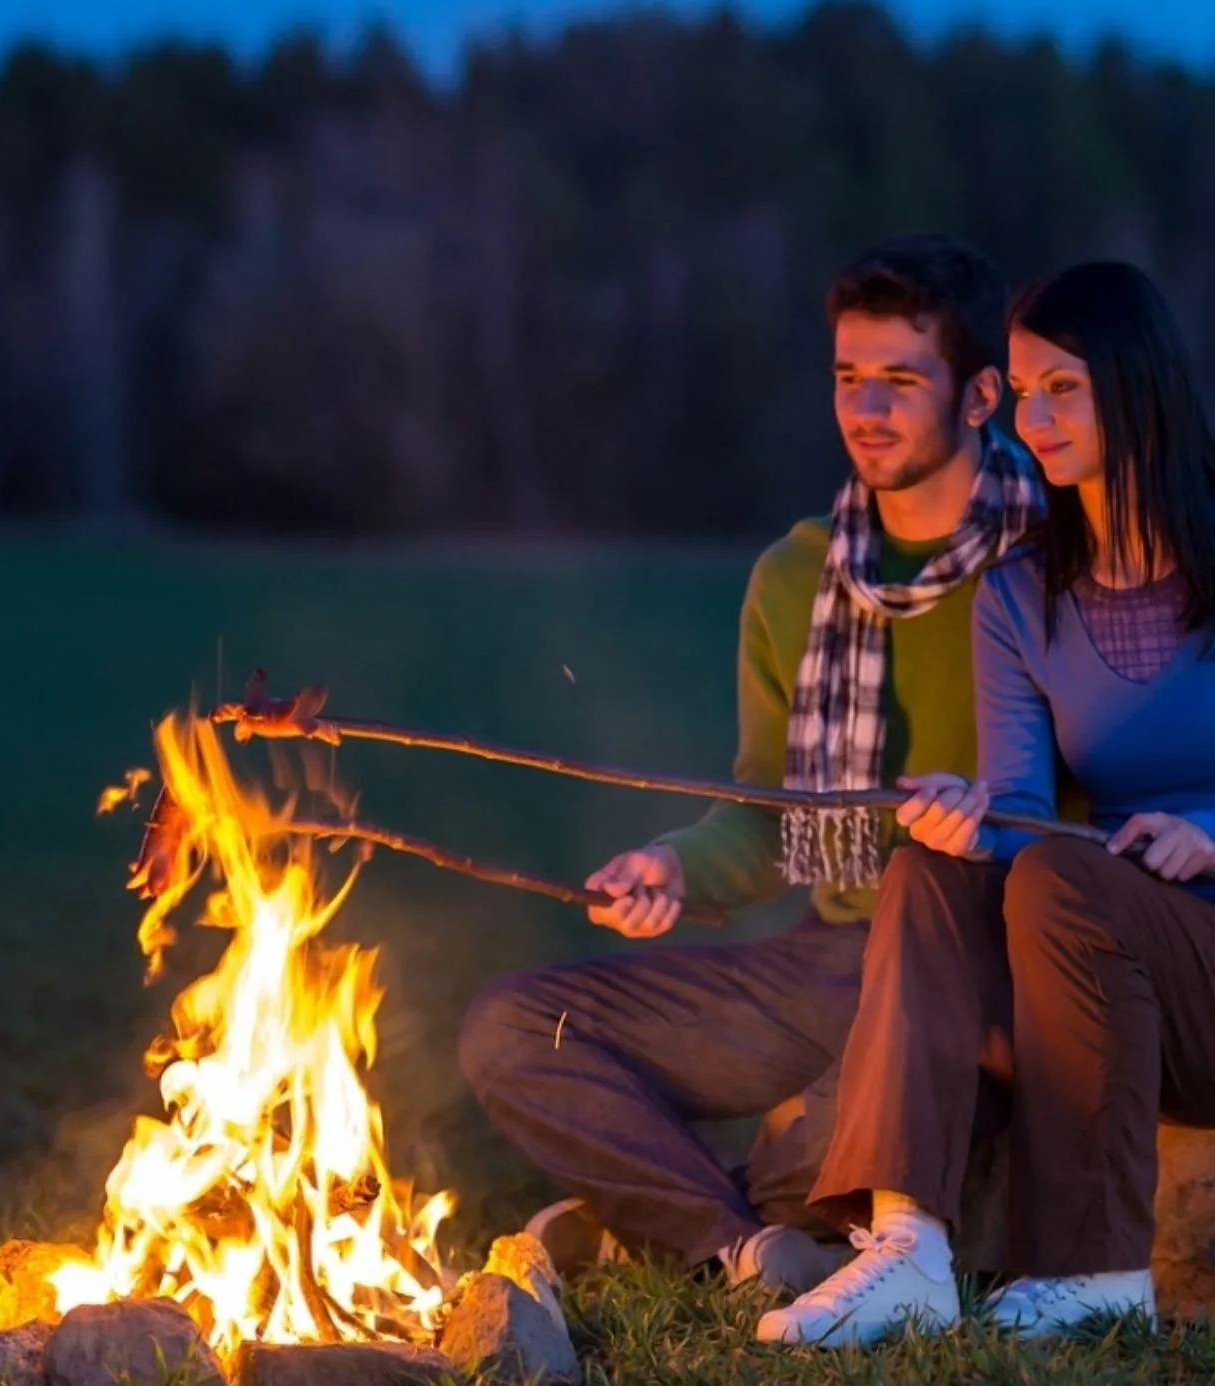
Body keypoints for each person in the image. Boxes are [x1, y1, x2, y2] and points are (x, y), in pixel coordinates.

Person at [456, 234, 1048, 1297]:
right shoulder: (794, 576)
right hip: (826, 960)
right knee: (512, 1030)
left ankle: (700, 1220)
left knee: (844, 1118)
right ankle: (745, 1241)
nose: (863, 408)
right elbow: (764, 807)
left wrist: (993, 817)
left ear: (978, 397)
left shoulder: (1055, 563)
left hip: (983, 967)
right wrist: (674, 868)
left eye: (900, 380)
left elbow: (1105, 793)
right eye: (846, 377)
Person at [758, 259, 1215, 1346]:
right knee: (928, 866)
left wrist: (1207, 832)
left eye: (1061, 388)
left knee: (1062, 872)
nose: (1031, 418)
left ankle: (1094, 1269)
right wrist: (969, 814)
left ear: (1133, 383)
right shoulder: (1017, 593)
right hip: (1104, 956)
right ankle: (904, 1242)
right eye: (1018, 391)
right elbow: (1019, 809)